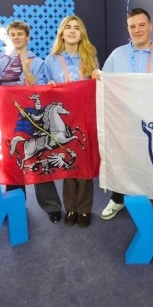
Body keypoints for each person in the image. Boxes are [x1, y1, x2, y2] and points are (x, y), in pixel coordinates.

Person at [95, 8, 153, 220]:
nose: (137, 30)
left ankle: (150, 198)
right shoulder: (117, 55)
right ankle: (117, 199)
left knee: (151, 159)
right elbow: (104, 83)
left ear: (151, 26)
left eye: (141, 25)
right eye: (132, 26)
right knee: (121, 159)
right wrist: (97, 76)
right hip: (123, 120)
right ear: (128, 29)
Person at [0, 20, 64, 224]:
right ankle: (15, 206)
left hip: (33, 118)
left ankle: (52, 207)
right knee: (13, 164)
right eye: (12, 34)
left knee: (40, 160)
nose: (16, 38)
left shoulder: (38, 62)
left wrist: (27, 71)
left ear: (27, 37)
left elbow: (42, 90)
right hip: (8, 118)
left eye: (20, 34)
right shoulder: (1, 61)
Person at [43, 15, 99, 228]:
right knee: (67, 161)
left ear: (82, 33)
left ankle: (84, 208)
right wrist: (47, 85)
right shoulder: (51, 60)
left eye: (77, 27)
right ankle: (71, 207)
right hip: (63, 120)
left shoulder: (90, 58)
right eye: (68, 27)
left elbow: (98, 87)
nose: (73, 31)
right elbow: (41, 87)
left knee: (85, 164)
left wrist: (97, 77)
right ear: (62, 33)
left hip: (85, 116)